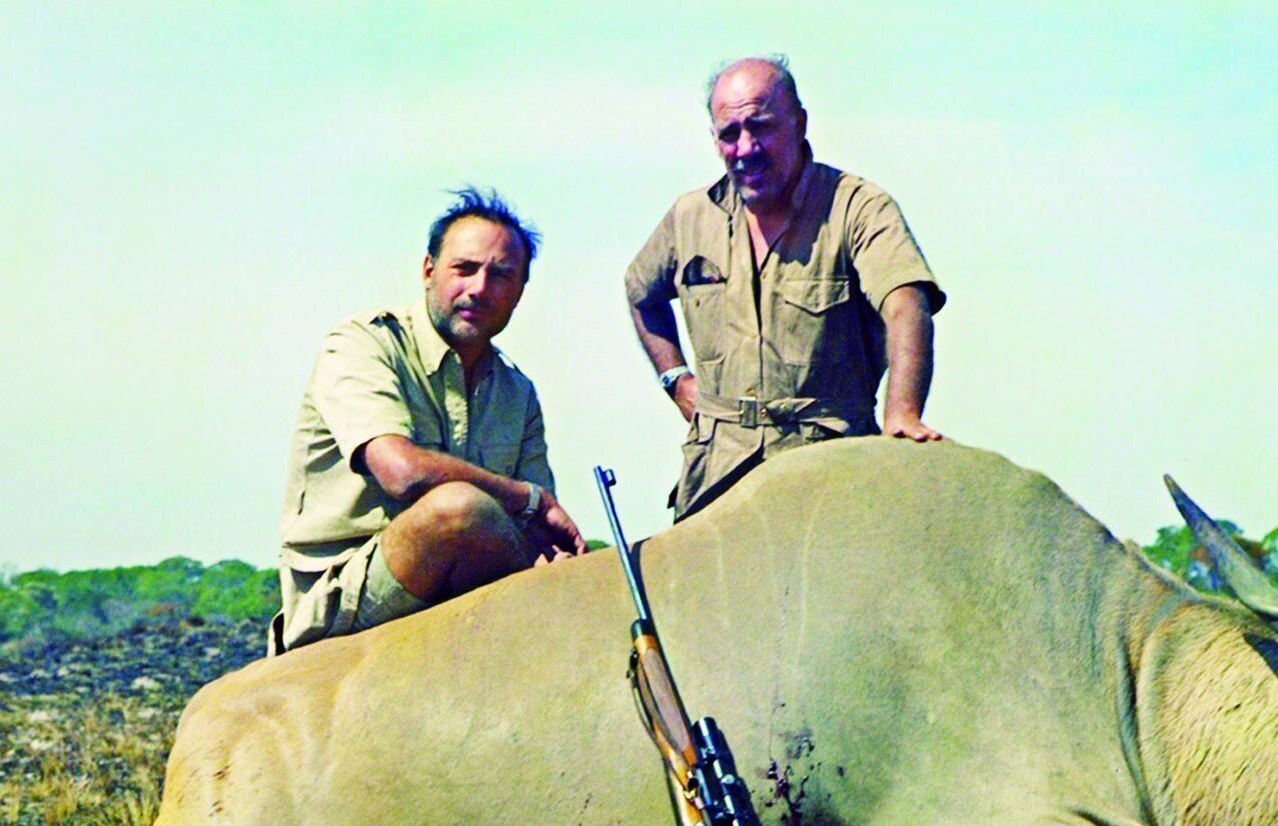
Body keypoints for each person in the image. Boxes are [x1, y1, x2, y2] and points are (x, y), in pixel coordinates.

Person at [626, 55, 947, 520]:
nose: (746, 148)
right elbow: (640, 292)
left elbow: (906, 304)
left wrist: (903, 413)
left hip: (828, 466)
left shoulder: (857, 207)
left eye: (762, 126)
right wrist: (676, 380)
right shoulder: (690, 217)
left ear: (799, 124)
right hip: (718, 471)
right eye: (729, 134)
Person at [272, 187, 586, 655]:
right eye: (464, 269)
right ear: (427, 271)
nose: (479, 289)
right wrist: (527, 498)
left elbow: (537, 533)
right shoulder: (363, 343)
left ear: (519, 292)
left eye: (501, 276)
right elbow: (404, 473)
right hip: (346, 589)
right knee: (457, 511)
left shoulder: (517, 393)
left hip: (460, 588)